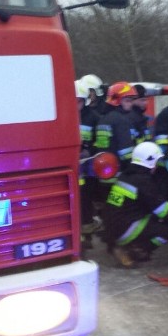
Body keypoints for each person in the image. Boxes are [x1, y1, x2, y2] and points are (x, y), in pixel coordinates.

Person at [101, 142, 168, 267]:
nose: (156, 166)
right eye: (156, 162)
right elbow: (163, 210)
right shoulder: (143, 181)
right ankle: (135, 251)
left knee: (156, 220)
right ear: (150, 161)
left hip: (112, 228)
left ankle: (121, 246)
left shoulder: (125, 176)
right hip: (125, 228)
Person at [93, 82, 139, 203]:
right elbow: (126, 153)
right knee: (118, 208)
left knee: (108, 206)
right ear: (117, 101)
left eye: (132, 100)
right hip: (120, 175)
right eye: (128, 100)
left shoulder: (103, 119)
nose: (131, 104)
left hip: (104, 175)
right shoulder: (122, 120)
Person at [76, 80, 101, 250]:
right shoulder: (63, 115)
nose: (75, 104)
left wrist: (89, 151)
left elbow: (99, 142)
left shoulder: (94, 118)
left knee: (86, 200)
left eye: (79, 101)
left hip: (87, 167)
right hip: (72, 166)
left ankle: (87, 235)